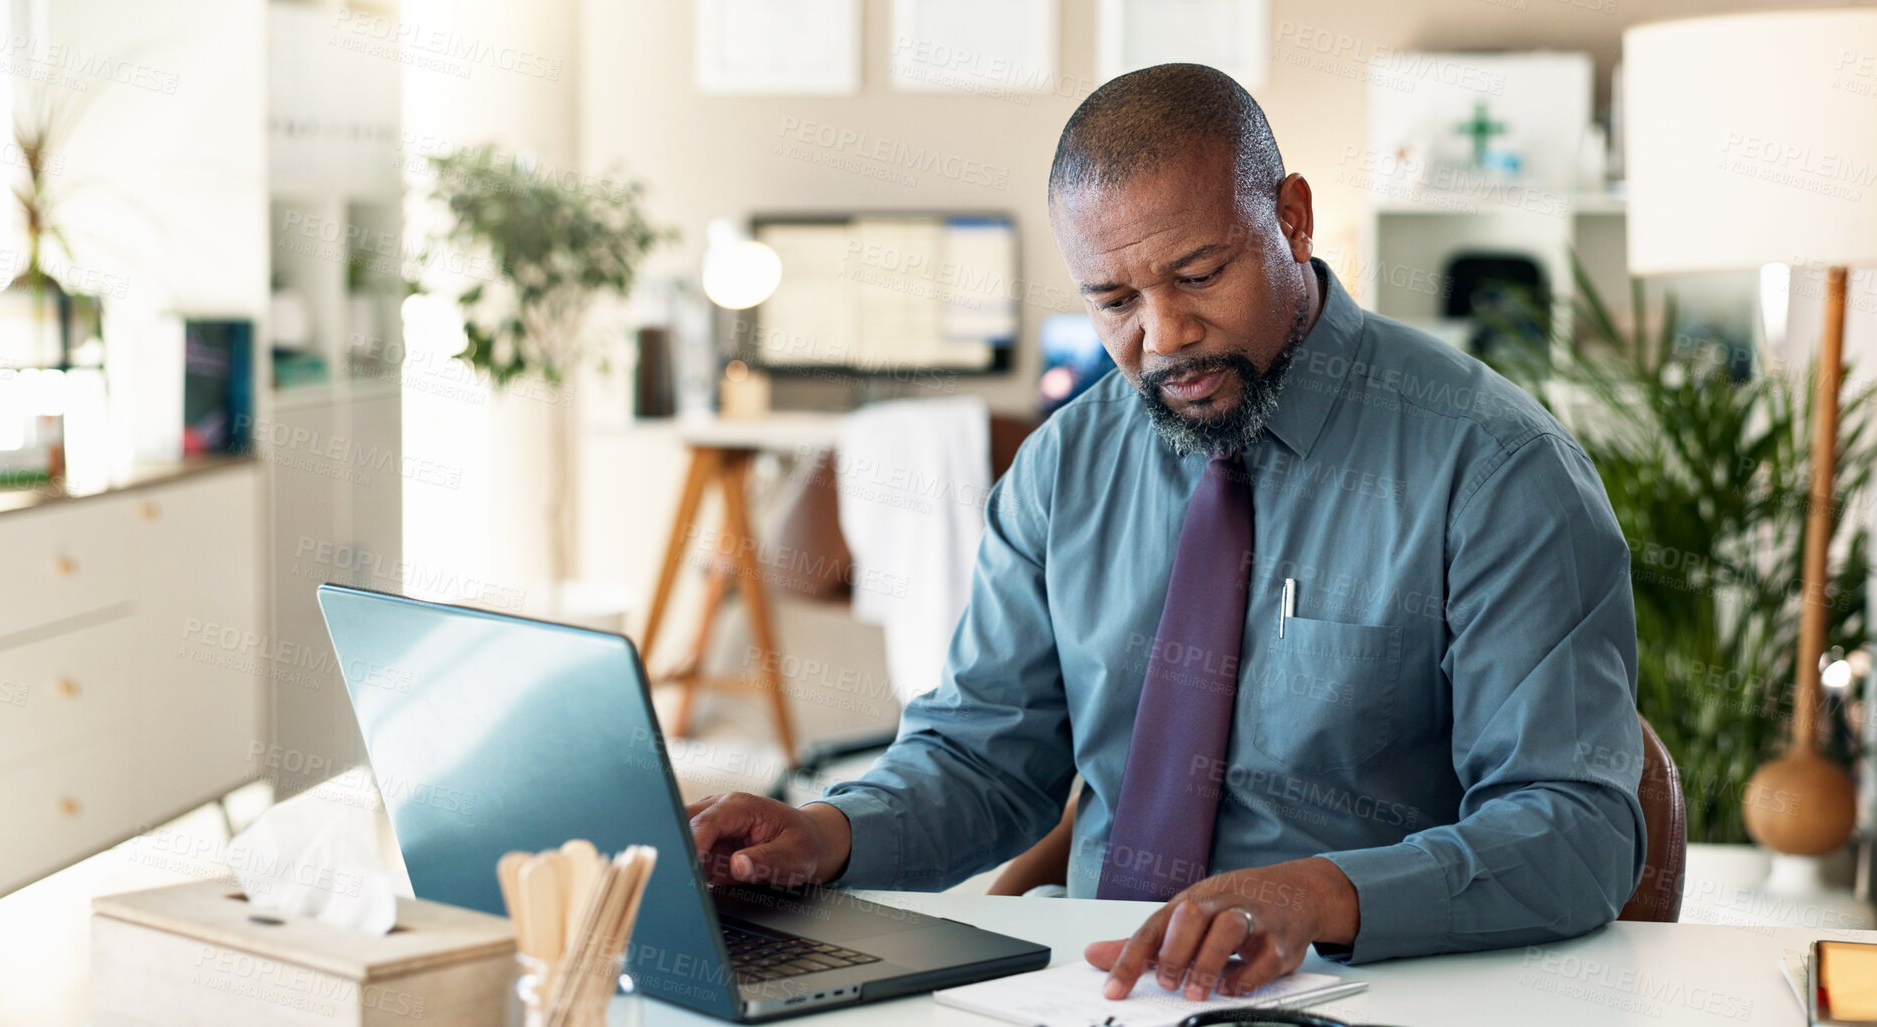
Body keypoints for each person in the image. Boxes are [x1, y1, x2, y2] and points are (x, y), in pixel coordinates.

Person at [686, 62, 1645, 1002]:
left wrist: (1320, 894)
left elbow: (1575, 826)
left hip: (1365, 986)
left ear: (1292, 219)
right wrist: (824, 833)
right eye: (1113, 301)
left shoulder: (1494, 467)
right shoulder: (1064, 468)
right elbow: (985, 758)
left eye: (1197, 274)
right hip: (1101, 985)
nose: (1164, 335)